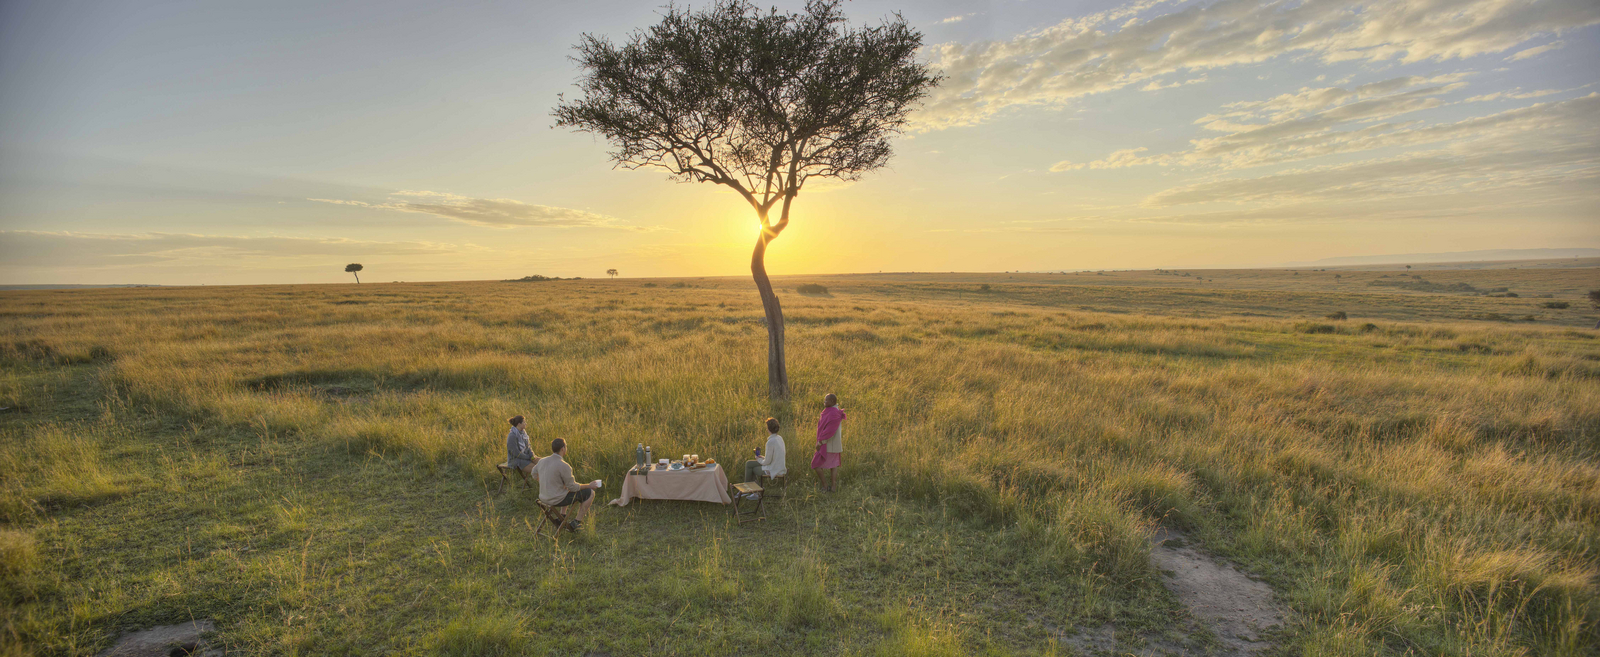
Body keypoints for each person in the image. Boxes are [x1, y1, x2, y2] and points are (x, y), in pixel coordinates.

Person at [536, 438, 600, 531]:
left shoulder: (542, 461)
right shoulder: (564, 465)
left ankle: (562, 516)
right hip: (555, 499)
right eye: (566, 446)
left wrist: (544, 481)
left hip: (543, 497)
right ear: (563, 449)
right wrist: (589, 485)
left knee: (564, 486)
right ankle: (576, 523)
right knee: (590, 493)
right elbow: (573, 487)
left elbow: (534, 473)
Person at [811, 393, 846, 492]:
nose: (824, 402)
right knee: (833, 466)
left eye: (826, 400)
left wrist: (820, 442)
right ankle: (833, 486)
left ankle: (825, 486)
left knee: (816, 465)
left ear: (832, 402)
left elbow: (829, 431)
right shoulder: (835, 411)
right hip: (834, 445)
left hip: (828, 445)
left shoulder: (833, 413)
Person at [744, 417, 787, 485]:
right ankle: (752, 490)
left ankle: (750, 490)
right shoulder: (779, 438)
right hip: (779, 466)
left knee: (753, 469)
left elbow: (767, 462)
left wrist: (758, 459)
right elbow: (774, 457)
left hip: (774, 469)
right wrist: (763, 457)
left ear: (768, 429)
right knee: (749, 463)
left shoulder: (770, 442)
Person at [505, 416, 539, 480]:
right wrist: (528, 457)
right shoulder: (512, 436)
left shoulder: (523, 433)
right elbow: (516, 454)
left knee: (544, 462)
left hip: (526, 456)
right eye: (524, 422)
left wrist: (532, 455)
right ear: (519, 424)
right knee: (539, 469)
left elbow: (528, 446)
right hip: (516, 460)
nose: (525, 423)